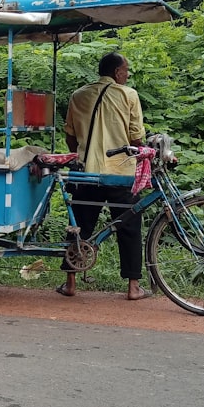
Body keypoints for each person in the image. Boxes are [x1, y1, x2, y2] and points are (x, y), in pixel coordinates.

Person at [58, 52, 151, 300]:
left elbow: (70, 134)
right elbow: (136, 138)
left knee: (79, 227)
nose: (127, 74)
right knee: (129, 227)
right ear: (117, 72)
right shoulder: (128, 95)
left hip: (87, 173)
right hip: (120, 173)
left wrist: (78, 154)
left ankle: (70, 283)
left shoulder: (78, 95)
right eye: (126, 69)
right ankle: (133, 287)